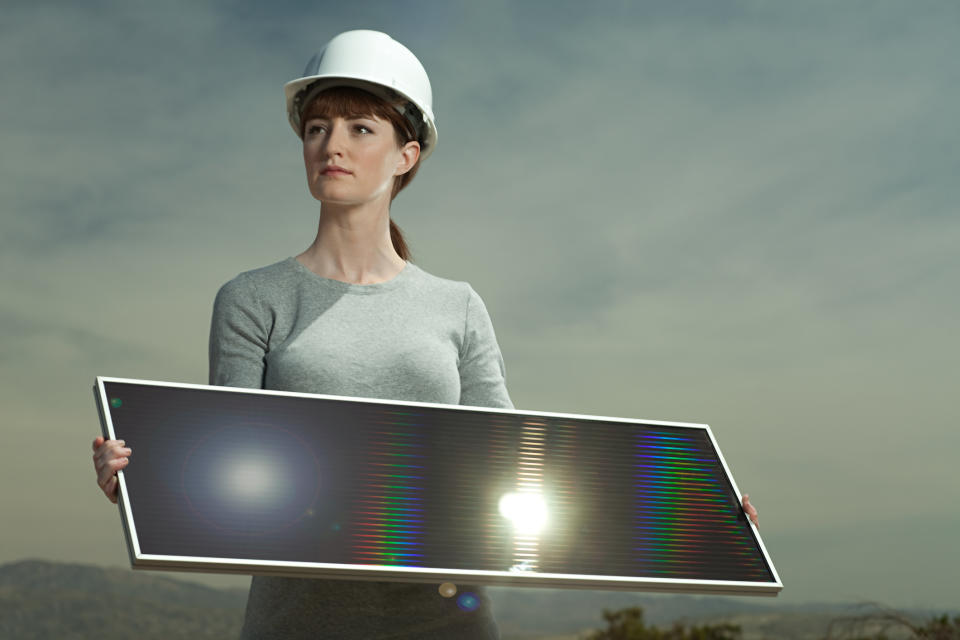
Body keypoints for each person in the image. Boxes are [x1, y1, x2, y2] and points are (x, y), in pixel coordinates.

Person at [92, 28, 759, 639]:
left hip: (445, 622)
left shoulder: (457, 306)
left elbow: (519, 466)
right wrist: (142, 478)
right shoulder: (252, 299)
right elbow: (225, 462)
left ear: (406, 154)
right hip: (299, 623)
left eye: (360, 128)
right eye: (317, 128)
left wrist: (704, 510)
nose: (332, 145)